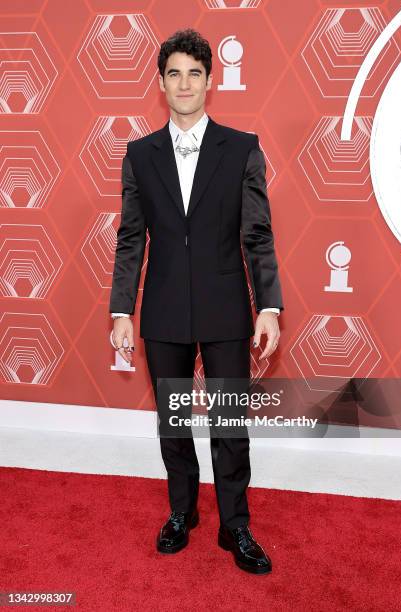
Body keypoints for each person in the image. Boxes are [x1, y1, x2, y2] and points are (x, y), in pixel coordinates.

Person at [109, 29, 283, 575]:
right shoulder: (139, 155)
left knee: (230, 424)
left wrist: (270, 307)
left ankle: (236, 525)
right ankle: (181, 512)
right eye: (174, 74)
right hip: (162, 309)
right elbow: (131, 237)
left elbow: (257, 235)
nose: (184, 83)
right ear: (161, 84)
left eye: (194, 73)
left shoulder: (242, 148)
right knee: (173, 420)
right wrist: (121, 310)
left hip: (227, 304)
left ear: (210, 81)